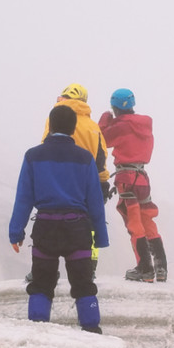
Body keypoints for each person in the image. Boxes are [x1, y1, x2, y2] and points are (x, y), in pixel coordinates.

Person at [11, 104, 109, 333]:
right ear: (73, 129)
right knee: (84, 284)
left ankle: (37, 329)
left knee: (41, 284)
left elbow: (24, 197)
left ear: (50, 126)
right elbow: (95, 201)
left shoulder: (33, 156)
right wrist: (100, 237)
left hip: (46, 228)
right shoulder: (85, 159)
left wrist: (16, 231)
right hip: (78, 229)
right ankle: (92, 330)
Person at [38, 83, 111, 279]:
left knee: (51, 221)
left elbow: (46, 147)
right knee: (91, 225)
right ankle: (88, 267)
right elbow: (101, 157)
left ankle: (43, 269)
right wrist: (103, 181)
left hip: (56, 180)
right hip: (87, 183)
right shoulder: (93, 127)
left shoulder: (53, 119)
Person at [98, 88, 167, 282]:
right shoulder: (145, 125)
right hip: (143, 178)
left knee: (134, 223)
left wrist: (105, 118)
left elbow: (101, 139)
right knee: (148, 221)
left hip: (126, 178)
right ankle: (161, 268)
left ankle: (145, 269)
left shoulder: (120, 126)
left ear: (115, 107)